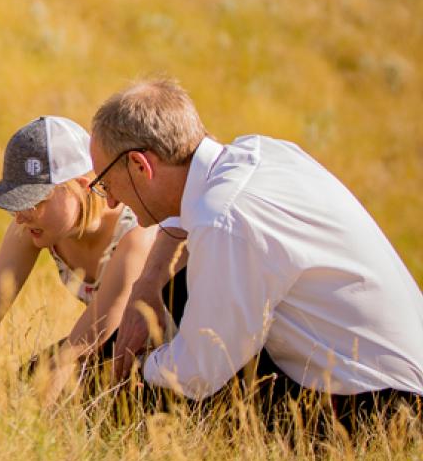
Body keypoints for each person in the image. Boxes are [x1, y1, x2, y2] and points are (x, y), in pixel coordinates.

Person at [89, 78, 423, 426]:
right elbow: (183, 214)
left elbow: (198, 372)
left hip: (386, 411)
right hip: (394, 379)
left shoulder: (225, 218)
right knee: (183, 292)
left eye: (106, 183)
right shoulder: (259, 154)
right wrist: (149, 281)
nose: (111, 201)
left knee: (151, 393)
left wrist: (138, 371)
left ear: (142, 166)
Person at [0, 116, 157, 400]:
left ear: (84, 187)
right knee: (5, 394)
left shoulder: (135, 235)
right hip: (104, 348)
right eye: (16, 202)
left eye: (35, 201)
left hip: (163, 357)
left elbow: (92, 337)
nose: (20, 215)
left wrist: (32, 406)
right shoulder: (34, 225)